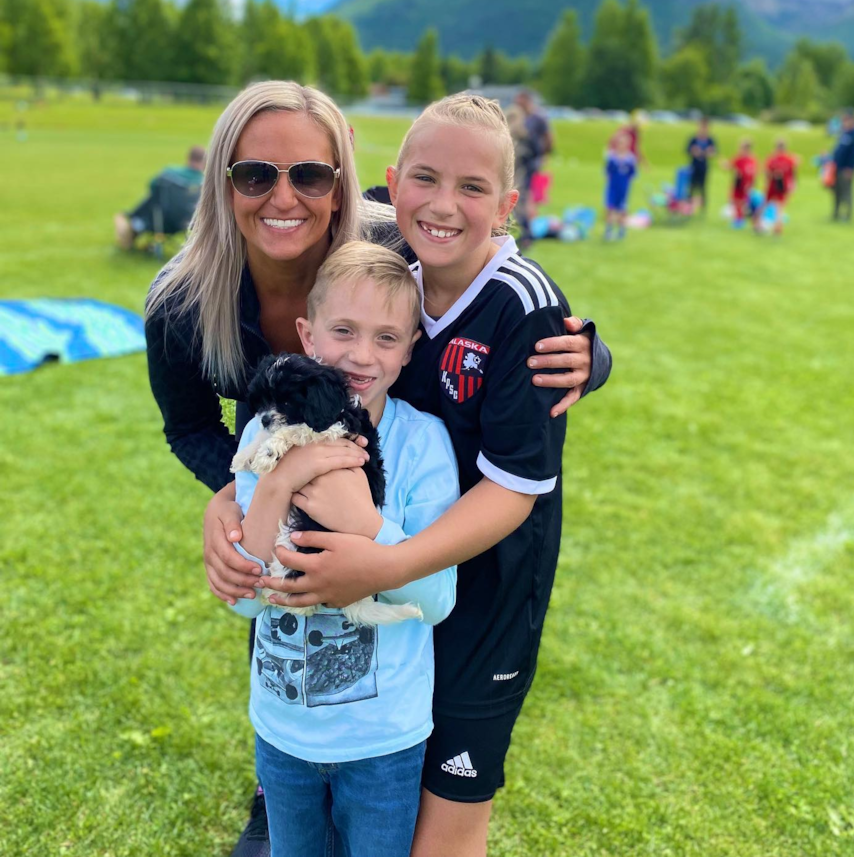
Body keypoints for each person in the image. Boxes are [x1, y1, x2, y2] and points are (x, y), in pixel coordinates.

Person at [145, 81, 608, 857]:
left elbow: (503, 300)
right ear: (221, 182)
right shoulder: (183, 303)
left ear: (345, 186)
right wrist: (239, 492)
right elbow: (192, 427)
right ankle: (281, 794)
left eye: (311, 175)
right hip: (309, 537)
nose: (283, 196)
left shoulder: (396, 246)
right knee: (304, 652)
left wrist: (586, 357)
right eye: (255, 174)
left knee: (422, 792)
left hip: (437, 543)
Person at [230, 241, 459, 857]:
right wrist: (278, 483)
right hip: (283, 731)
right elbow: (244, 604)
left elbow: (436, 600)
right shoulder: (264, 434)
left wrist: (365, 523)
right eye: (343, 331)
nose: (362, 354)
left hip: (384, 740)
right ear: (307, 335)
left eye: (387, 338)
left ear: (411, 348)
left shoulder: (424, 445)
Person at [115, 146, 206, 249]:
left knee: (132, 213)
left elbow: (152, 187)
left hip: (158, 221)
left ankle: (129, 235)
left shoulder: (169, 174)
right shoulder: (204, 181)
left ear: (188, 157)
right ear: (204, 162)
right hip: (185, 223)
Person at [511, 90, 553, 249]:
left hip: (530, 163)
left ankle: (526, 235)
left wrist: (544, 156)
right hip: (518, 163)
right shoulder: (520, 118)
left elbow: (548, 138)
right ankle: (523, 233)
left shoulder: (538, 118)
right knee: (520, 198)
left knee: (524, 198)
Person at [603, 130, 637, 241]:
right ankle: (608, 230)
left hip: (624, 186)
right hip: (613, 186)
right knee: (610, 207)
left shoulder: (630, 159)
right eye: (619, 143)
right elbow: (607, 171)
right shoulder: (612, 157)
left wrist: (627, 181)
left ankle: (621, 230)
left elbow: (632, 173)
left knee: (622, 208)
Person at [763, 139, 798, 234]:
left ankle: (759, 225)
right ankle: (777, 228)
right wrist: (793, 185)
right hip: (782, 186)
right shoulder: (789, 159)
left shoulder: (772, 158)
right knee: (780, 208)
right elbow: (793, 174)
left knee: (765, 205)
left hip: (773, 185)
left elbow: (767, 172)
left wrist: (766, 182)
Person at [686, 118, 717, 215]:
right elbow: (688, 150)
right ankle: (689, 207)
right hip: (694, 166)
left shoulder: (710, 140)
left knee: (703, 187)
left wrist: (709, 152)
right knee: (691, 187)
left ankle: (702, 208)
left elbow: (714, 152)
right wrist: (694, 151)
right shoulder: (694, 139)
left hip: (704, 167)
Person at [724, 139, 758, 223]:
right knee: (734, 200)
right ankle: (739, 217)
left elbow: (752, 173)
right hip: (739, 182)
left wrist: (750, 183)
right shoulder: (741, 158)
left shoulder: (749, 159)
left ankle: (740, 218)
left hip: (744, 183)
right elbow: (731, 166)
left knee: (740, 201)